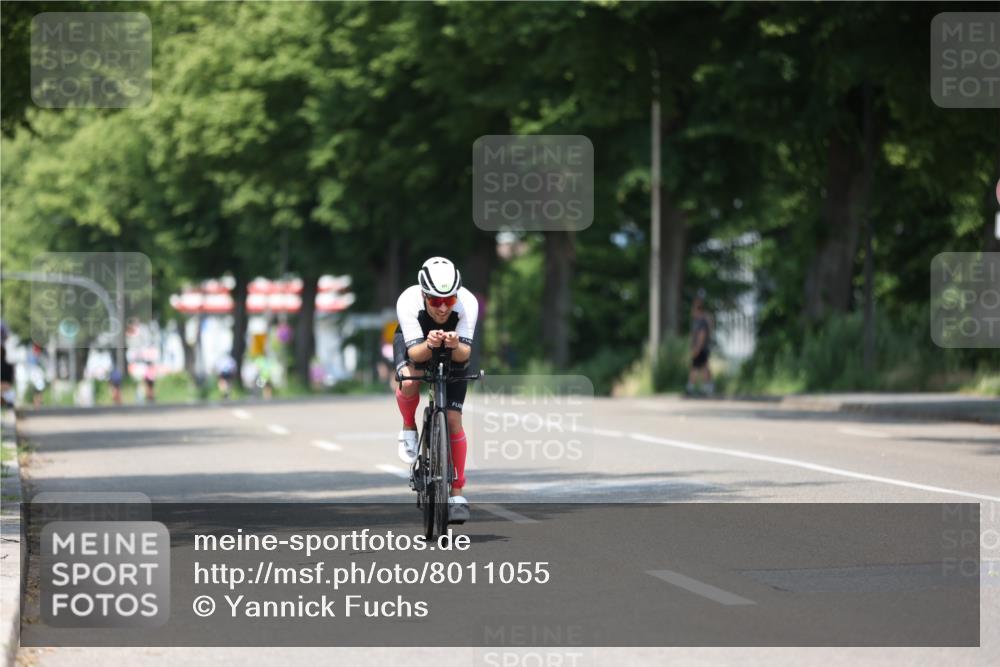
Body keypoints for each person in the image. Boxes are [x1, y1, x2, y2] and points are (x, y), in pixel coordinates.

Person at [393, 257, 478, 522]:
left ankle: (457, 490)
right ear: (423, 295)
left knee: (453, 418)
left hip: (454, 351)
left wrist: (453, 345)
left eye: (449, 301)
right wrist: (430, 344)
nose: (443, 308)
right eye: (435, 301)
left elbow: (464, 356)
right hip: (417, 343)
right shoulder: (408, 301)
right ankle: (408, 425)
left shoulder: (468, 303)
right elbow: (415, 353)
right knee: (409, 380)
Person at [686, 289, 714, 396]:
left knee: (696, 367)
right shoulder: (699, 320)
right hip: (702, 348)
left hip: (701, 348)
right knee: (704, 367)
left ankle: (691, 388)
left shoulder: (701, 321)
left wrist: (697, 348)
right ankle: (708, 387)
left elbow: (702, 335)